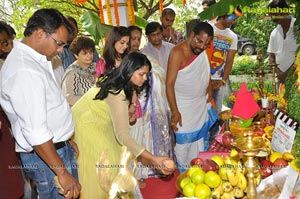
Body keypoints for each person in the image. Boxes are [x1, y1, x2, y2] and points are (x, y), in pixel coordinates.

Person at [0, 9, 81, 199]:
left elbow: (47, 109)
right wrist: (61, 172)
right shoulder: (24, 70)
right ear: (39, 34)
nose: (61, 49)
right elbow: (35, 131)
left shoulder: (35, 59)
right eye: (59, 43)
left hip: (54, 150)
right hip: (47, 160)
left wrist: (65, 139)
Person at [72, 52, 176, 198]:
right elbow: (122, 136)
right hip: (88, 127)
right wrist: (154, 159)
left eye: (146, 74)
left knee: (118, 157)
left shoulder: (120, 80)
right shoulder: (116, 93)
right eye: (141, 74)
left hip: (98, 122)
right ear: (130, 71)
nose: (145, 78)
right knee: (105, 169)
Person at [128, 25, 179, 199]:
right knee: (134, 139)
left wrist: (151, 78)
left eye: (137, 38)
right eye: (131, 38)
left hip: (152, 106)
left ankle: (152, 168)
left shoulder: (145, 57)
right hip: (134, 106)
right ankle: (135, 174)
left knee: (149, 137)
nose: (134, 42)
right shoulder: (128, 59)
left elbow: (158, 74)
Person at [166, 21, 217, 172]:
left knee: (200, 140)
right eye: (199, 41)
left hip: (199, 105)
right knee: (183, 143)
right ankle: (185, 173)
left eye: (206, 44)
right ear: (192, 35)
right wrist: (175, 111)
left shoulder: (201, 52)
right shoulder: (177, 52)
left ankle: (199, 170)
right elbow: (169, 84)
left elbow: (205, 72)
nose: (202, 47)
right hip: (182, 106)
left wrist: (209, 88)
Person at [0, 20, 25, 199]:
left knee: (11, 181)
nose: (5, 47)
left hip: (6, 128)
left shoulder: (10, 62)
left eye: (6, 42)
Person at [209, 7, 241, 114]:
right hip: (204, 78)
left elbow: (229, 60)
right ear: (223, 14)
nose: (233, 21)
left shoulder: (233, 36)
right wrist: (208, 79)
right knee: (203, 111)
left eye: (235, 19)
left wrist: (222, 81)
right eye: (232, 17)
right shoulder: (208, 29)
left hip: (219, 80)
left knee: (216, 112)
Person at [267, 0, 298, 84]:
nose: (272, 18)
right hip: (280, 80)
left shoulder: (298, 28)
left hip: (297, 80)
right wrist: (279, 73)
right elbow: (271, 57)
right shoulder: (274, 33)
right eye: (270, 15)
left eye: (275, 14)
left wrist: (287, 74)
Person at [61, 36, 96, 106]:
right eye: (85, 53)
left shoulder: (95, 66)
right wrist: (91, 101)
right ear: (76, 55)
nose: (89, 56)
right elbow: (69, 98)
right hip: (82, 112)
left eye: (91, 52)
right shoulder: (72, 73)